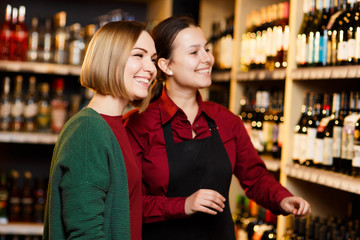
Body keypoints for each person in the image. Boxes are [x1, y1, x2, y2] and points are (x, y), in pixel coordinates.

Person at [123, 16, 311, 240]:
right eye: (194, 52)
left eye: (207, 49)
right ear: (166, 65)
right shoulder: (138, 125)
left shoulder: (226, 121)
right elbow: (127, 203)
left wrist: (282, 199)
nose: (207, 59)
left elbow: (255, 177)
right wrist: (183, 205)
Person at [43, 20, 157, 239]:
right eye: (138, 55)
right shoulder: (88, 131)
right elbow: (86, 234)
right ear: (110, 58)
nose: (151, 68)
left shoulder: (115, 125)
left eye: (152, 59)